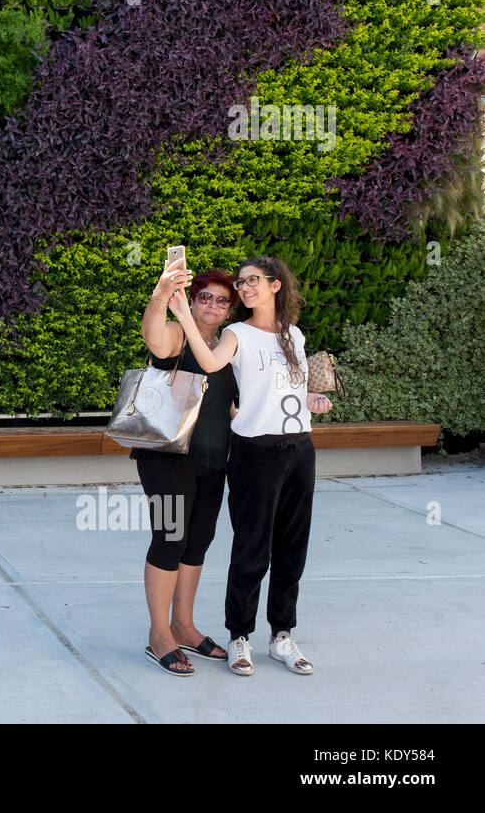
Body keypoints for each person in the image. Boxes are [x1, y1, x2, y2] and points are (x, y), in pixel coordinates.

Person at [168, 255, 332, 676]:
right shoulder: (236, 333)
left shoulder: (293, 334)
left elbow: (287, 391)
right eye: (241, 283)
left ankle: (282, 636)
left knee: (292, 549)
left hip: (299, 448)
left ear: (276, 285)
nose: (243, 288)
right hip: (254, 453)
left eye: (252, 280)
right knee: (251, 548)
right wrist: (185, 314)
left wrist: (311, 399)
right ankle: (239, 635)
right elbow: (209, 363)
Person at [135, 258, 238, 676]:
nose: (212, 305)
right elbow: (154, 338)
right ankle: (159, 633)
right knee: (170, 540)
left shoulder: (231, 347)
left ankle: (184, 625)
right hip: (168, 457)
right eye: (205, 298)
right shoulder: (178, 334)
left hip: (214, 459)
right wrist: (162, 296)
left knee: (198, 541)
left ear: (230, 310)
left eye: (222, 301)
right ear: (192, 301)